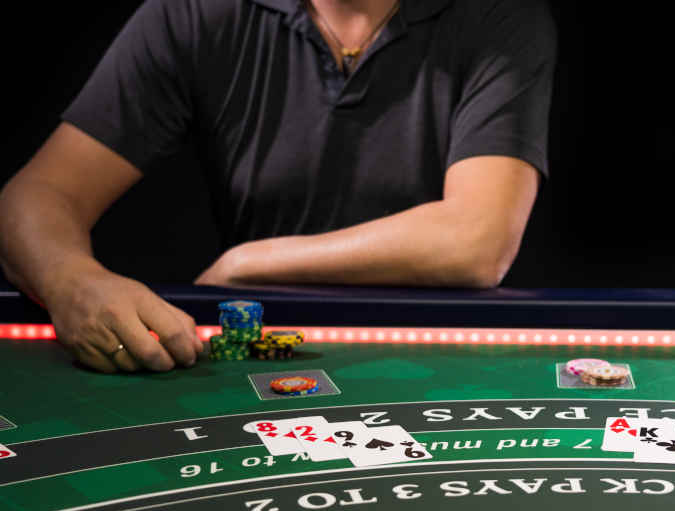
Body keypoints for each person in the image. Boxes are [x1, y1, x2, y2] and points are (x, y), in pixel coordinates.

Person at [0, 0, 556, 374]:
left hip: (443, 357)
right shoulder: (196, 11)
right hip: (255, 357)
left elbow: (476, 241)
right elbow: (41, 192)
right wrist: (72, 280)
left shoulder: (500, 17)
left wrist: (248, 262)